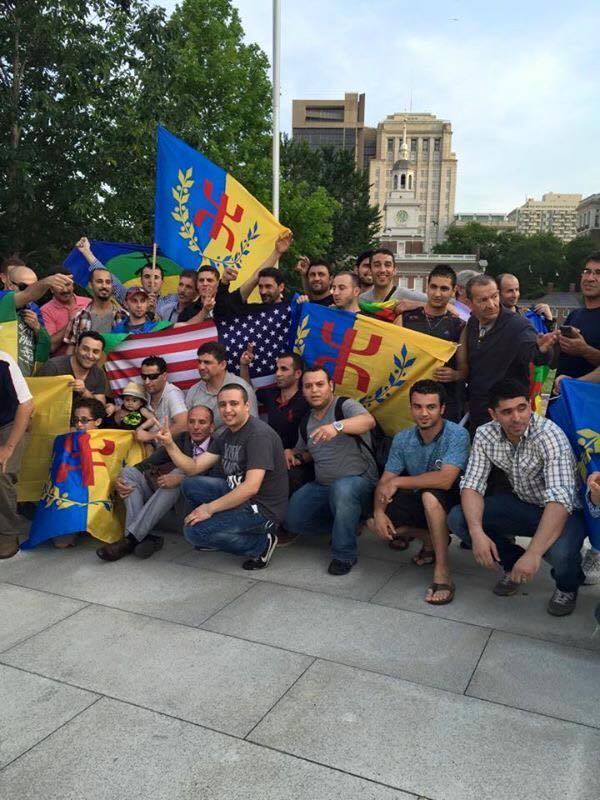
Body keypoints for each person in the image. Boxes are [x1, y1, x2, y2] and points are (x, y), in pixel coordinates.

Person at [447, 379, 587, 616]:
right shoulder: (485, 434)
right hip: (524, 504)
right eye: (507, 412)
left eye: (522, 408)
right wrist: (477, 533)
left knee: (561, 554)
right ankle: (513, 564)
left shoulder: (549, 435)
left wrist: (534, 553)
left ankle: (567, 586)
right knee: (459, 519)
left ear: (530, 405)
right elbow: (472, 484)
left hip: (564, 510)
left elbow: (560, 499)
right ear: (493, 414)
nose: (517, 417)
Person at [157, 385, 288, 570]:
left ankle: (261, 543)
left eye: (234, 404)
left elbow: (251, 487)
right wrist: (170, 444)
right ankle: (216, 530)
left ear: (247, 405)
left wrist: (209, 509)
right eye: (223, 405)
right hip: (238, 495)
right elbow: (194, 467)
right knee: (191, 485)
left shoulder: (259, 435)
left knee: (193, 532)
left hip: (262, 508)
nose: (227, 410)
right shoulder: (227, 434)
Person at [369, 380, 470, 603]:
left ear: (442, 409)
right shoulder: (403, 438)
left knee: (429, 495)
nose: (424, 413)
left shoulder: (457, 434)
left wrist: (399, 482)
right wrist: (378, 511)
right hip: (417, 496)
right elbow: (386, 480)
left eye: (431, 407)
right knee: (372, 518)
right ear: (411, 407)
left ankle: (443, 572)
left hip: (451, 498)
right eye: (418, 406)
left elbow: (445, 480)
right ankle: (430, 539)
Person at [282, 366, 377, 575]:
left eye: (319, 384)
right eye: (308, 386)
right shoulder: (306, 420)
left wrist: (336, 427)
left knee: (342, 490)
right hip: (323, 485)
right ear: (303, 391)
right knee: (292, 520)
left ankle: (344, 554)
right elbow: (306, 452)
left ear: (330, 386)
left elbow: (368, 421)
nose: (314, 390)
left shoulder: (345, 405)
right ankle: (347, 524)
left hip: (358, 480)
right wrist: (292, 454)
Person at [96, 404, 215, 562]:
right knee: (128, 473)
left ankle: (130, 539)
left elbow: (217, 482)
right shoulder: (181, 439)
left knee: (177, 473)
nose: (196, 427)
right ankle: (141, 538)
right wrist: (120, 480)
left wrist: (183, 480)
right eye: (192, 422)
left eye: (202, 422)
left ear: (212, 427)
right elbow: (146, 464)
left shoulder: (217, 445)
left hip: (190, 513)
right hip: (161, 509)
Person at [459, 274, 555, 432]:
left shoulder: (518, 325)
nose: (491, 304)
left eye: (494, 296)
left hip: (508, 416)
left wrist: (542, 350)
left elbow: (535, 356)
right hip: (478, 413)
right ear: (469, 303)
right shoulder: (473, 322)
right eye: (483, 300)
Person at [399, 265, 466, 421]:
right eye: (433, 287)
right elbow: (390, 356)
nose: (437, 294)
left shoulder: (459, 325)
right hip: (409, 399)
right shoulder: (405, 318)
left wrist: (456, 374)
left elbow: (465, 368)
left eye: (444, 289)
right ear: (427, 288)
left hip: (445, 402)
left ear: (453, 291)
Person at [76, 237, 177, 320]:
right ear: (141, 280)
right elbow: (110, 279)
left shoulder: (171, 300)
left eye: (156, 277)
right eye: (147, 277)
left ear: (162, 281)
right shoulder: (129, 296)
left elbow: (190, 294)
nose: (151, 281)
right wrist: (87, 252)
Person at [0, 349, 34, 559]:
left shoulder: (3, 362)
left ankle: (7, 533)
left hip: (11, 423)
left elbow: (27, 405)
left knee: (1, 472)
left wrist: (8, 447)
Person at [185, 341, 257, 429]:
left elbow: (253, 427)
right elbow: (188, 427)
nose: (201, 367)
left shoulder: (242, 388)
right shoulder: (193, 391)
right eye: (199, 362)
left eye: (207, 362)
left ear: (222, 365)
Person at [554, 252, 600, 380]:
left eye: (598, 273)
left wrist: (584, 350)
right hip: (561, 398)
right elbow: (553, 363)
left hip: (589, 398)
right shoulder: (575, 315)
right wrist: (554, 342)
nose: (590, 278)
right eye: (587, 271)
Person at [0, 259, 45, 376]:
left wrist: (37, 327)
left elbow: (44, 341)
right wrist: (48, 282)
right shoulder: (2, 298)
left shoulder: (34, 308)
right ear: (8, 282)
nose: (30, 290)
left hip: (24, 371)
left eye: (33, 286)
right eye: (23, 286)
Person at [37, 330, 108, 404]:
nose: (90, 355)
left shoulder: (99, 374)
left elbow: (100, 407)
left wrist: (84, 392)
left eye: (95, 352)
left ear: (101, 354)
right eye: (85, 349)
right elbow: (36, 396)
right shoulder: (53, 366)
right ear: (76, 348)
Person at [64, 266, 127, 347]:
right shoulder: (79, 317)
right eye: (99, 281)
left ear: (112, 286)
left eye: (108, 282)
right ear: (90, 285)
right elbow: (71, 350)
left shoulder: (124, 316)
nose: (104, 286)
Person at [134, 356, 188, 445]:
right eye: (144, 377)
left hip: (170, 451)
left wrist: (150, 436)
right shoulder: (144, 392)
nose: (147, 382)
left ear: (164, 376)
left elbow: (183, 425)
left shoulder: (172, 394)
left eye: (152, 377)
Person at [40, 267, 90, 355]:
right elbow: (50, 347)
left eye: (67, 285)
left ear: (73, 285)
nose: (65, 290)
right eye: (60, 286)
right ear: (51, 289)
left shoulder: (88, 303)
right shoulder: (45, 311)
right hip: (62, 364)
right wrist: (72, 322)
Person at [359, 248, 426, 305]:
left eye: (387, 265)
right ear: (370, 270)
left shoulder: (411, 298)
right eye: (377, 265)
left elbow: (434, 306)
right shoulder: (361, 300)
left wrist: (418, 305)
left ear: (394, 270)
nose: (382, 270)